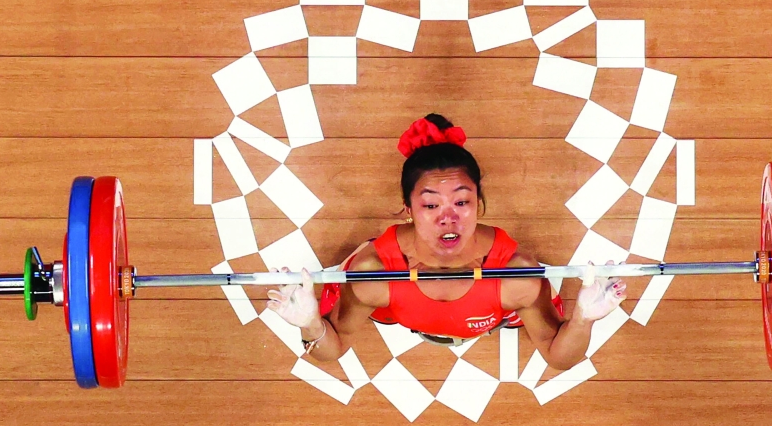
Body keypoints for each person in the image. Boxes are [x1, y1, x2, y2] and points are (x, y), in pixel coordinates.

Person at [266, 114, 626, 371]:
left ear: (479, 204)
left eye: (461, 201)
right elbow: (332, 350)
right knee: (357, 298)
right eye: (430, 204)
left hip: (494, 309)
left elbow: (559, 358)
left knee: (530, 312)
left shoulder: (518, 278)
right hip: (393, 305)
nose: (447, 217)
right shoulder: (371, 276)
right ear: (407, 209)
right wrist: (311, 325)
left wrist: (582, 320)